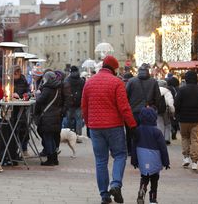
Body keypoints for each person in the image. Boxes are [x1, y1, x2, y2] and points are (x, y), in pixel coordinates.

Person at [81, 55, 137, 204]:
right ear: (113, 68)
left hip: (96, 127)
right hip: (114, 126)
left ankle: (104, 195)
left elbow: (84, 107)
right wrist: (132, 125)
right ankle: (116, 184)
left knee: (100, 161)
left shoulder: (89, 82)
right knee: (120, 155)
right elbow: (124, 107)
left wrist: (88, 123)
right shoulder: (117, 83)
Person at [131, 107, 170, 204]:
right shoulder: (157, 132)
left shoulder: (138, 131)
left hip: (142, 159)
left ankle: (142, 189)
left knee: (144, 176)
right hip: (155, 159)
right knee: (154, 179)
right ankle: (153, 199)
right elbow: (163, 148)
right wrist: (166, 162)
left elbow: (133, 147)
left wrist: (134, 161)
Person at [174, 70, 198, 170]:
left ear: (186, 79)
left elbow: (176, 104)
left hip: (183, 119)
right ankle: (194, 161)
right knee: (195, 140)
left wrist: (178, 114)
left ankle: (186, 158)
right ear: (196, 79)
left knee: (185, 138)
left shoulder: (181, 90)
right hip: (196, 119)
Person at [35, 71, 62, 166]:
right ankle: (55, 159)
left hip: (47, 117)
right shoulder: (58, 88)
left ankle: (50, 159)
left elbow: (40, 100)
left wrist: (37, 94)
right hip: (56, 116)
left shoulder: (47, 88)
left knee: (48, 138)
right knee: (52, 138)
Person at [63, 66, 85, 142]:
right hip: (79, 103)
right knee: (79, 120)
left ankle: (69, 137)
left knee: (68, 120)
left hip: (69, 103)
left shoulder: (67, 80)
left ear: (70, 71)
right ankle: (78, 137)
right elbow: (84, 92)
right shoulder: (81, 80)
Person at [157, 80, 175, 145]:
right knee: (167, 124)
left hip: (157, 110)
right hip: (166, 111)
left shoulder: (155, 91)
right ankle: (166, 139)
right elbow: (170, 103)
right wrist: (172, 111)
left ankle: (160, 139)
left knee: (159, 124)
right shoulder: (167, 92)